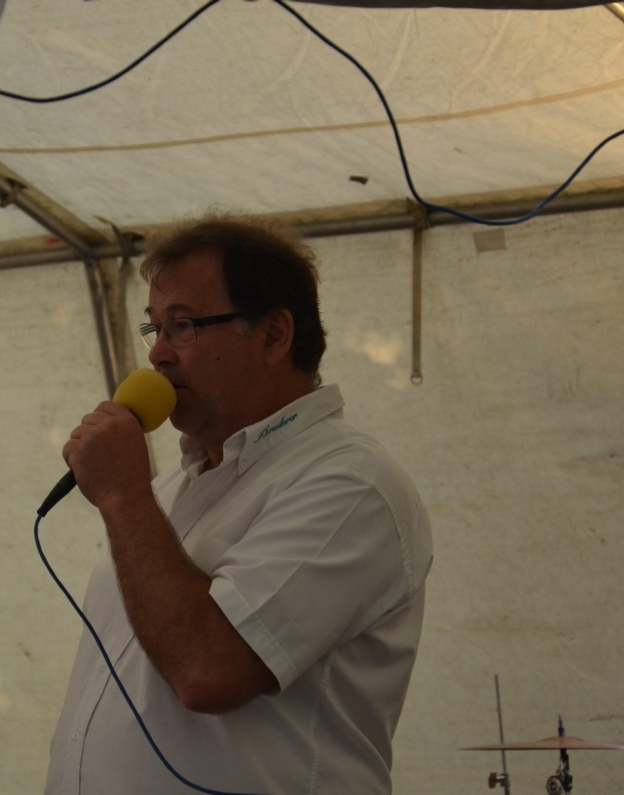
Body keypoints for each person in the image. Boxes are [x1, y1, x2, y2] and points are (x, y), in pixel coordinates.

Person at [45, 212, 433, 795]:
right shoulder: (173, 486)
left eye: (182, 326)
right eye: (154, 328)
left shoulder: (352, 485)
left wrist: (123, 495)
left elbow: (209, 671)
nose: (158, 356)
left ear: (274, 334)